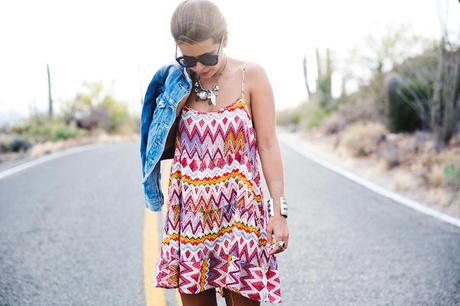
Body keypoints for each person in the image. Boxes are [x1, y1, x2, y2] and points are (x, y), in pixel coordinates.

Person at [152, 0, 289, 305]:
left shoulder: (250, 76)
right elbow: (159, 146)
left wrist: (279, 212)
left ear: (225, 39)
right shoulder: (176, 83)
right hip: (190, 219)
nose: (199, 67)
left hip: (240, 215)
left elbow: (268, 146)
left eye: (207, 57)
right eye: (188, 59)